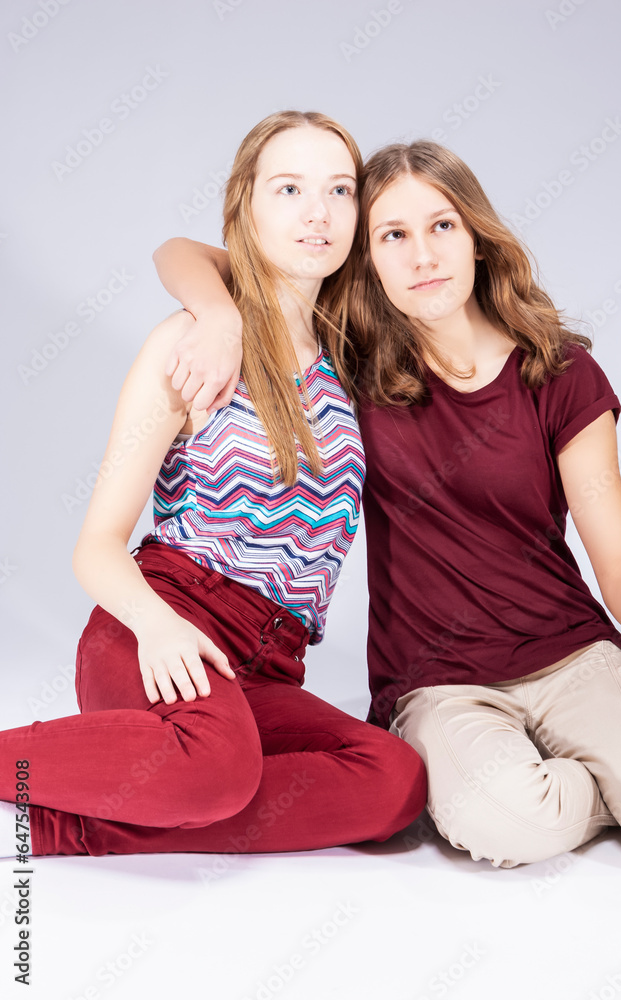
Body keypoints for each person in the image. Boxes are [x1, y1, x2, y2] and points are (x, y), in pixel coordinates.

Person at [153, 139, 621, 869]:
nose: (422, 256)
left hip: (573, 659)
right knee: (513, 826)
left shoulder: (561, 374)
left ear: (478, 241)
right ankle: (603, 786)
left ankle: (620, 778)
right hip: (437, 681)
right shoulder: (348, 358)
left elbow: (620, 568)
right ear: (366, 258)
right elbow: (179, 252)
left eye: (441, 227)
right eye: (392, 235)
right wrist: (219, 316)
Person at [0, 112, 427, 860]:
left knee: (394, 781)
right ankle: (57, 805)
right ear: (246, 206)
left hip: (268, 661)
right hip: (158, 627)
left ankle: (88, 817)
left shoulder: (350, 356)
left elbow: (184, 253)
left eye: (337, 190)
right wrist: (158, 626)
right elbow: (97, 547)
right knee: (214, 769)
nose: (316, 213)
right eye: (288, 188)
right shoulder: (191, 344)